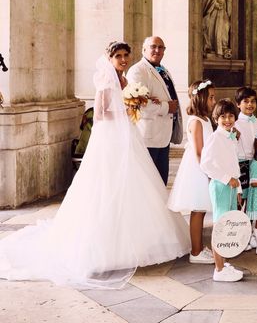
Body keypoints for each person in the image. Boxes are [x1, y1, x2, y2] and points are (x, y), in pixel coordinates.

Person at [0, 42, 190, 288]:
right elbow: (99, 114)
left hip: (128, 136)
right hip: (110, 139)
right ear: (110, 59)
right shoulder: (105, 81)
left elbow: (130, 107)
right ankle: (108, 248)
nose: (122, 60)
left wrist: (133, 107)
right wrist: (126, 110)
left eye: (125, 56)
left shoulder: (125, 81)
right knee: (107, 186)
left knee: (136, 185)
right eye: (118, 56)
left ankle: (142, 239)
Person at [168, 80, 216, 264]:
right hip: (199, 169)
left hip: (205, 166)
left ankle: (199, 247)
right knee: (197, 211)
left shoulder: (205, 120)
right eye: (211, 97)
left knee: (201, 211)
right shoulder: (196, 121)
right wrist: (208, 173)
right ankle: (195, 252)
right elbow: (198, 151)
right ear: (201, 99)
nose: (213, 101)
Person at [127, 36, 182, 185]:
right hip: (148, 137)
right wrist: (165, 107)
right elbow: (138, 104)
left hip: (162, 136)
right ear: (144, 49)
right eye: (153, 47)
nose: (157, 50)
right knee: (148, 184)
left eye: (161, 47)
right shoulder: (137, 71)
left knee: (160, 182)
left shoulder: (163, 70)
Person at [199, 98, 244, 282]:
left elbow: (234, 164)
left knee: (226, 225)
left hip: (231, 186)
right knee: (220, 226)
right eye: (223, 117)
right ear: (216, 118)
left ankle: (223, 263)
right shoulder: (215, 138)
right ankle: (218, 269)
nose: (227, 120)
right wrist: (227, 179)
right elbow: (205, 164)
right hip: (221, 186)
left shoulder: (230, 136)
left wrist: (238, 188)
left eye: (231, 116)